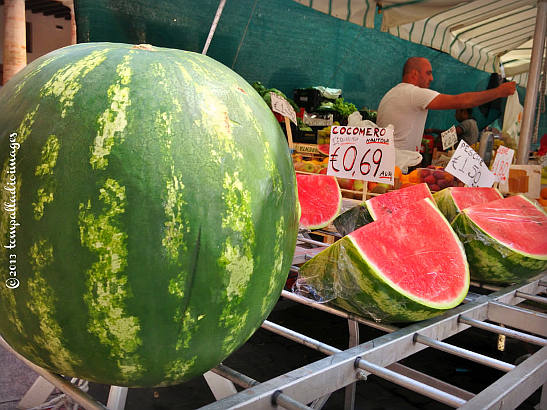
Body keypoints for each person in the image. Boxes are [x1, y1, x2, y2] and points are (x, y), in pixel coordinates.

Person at [377, 57, 516, 152]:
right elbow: (461, 101)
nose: (432, 78)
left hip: (388, 161)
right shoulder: (413, 93)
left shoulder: (391, 93)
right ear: (414, 74)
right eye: (428, 73)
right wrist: (498, 92)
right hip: (398, 165)